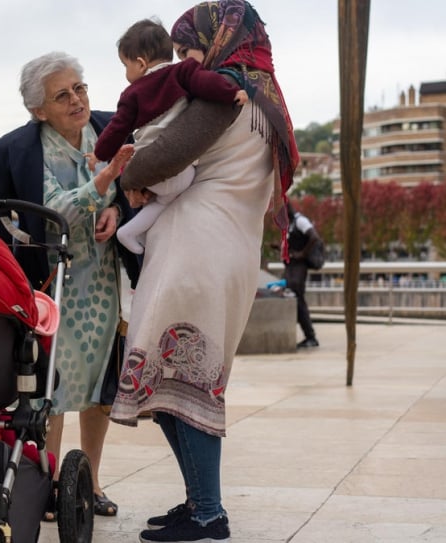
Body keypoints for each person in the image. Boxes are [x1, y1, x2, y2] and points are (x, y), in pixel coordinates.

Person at [108, 2, 299, 541]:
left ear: (218, 38)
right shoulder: (270, 103)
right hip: (228, 253)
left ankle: (209, 512)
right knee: (180, 381)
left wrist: (130, 175)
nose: (185, 59)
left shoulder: (224, 90)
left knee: (185, 380)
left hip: (194, 249)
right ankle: (198, 501)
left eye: (190, 44)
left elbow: (158, 158)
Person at [0, 50, 143, 520]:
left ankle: (90, 484)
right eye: (62, 95)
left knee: (99, 387)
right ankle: (52, 485)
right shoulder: (14, 148)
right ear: (38, 109)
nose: (77, 100)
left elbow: (140, 191)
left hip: (104, 279)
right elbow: (46, 214)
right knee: (49, 388)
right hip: (51, 283)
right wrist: (105, 181)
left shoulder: (113, 126)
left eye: (80, 88)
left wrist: (120, 211)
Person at [91, 18, 248, 255]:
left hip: (144, 163)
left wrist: (99, 153)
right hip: (174, 168)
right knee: (175, 192)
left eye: (125, 65)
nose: (126, 72)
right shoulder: (183, 71)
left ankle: (133, 231)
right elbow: (207, 83)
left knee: (160, 199)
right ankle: (134, 231)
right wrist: (232, 93)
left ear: (141, 63)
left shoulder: (131, 94)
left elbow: (116, 130)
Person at [284, 200, 321, 349]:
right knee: (294, 299)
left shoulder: (300, 221)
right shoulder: (290, 224)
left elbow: (314, 237)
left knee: (299, 301)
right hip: (292, 267)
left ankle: (310, 336)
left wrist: (302, 254)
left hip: (299, 268)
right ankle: (308, 335)